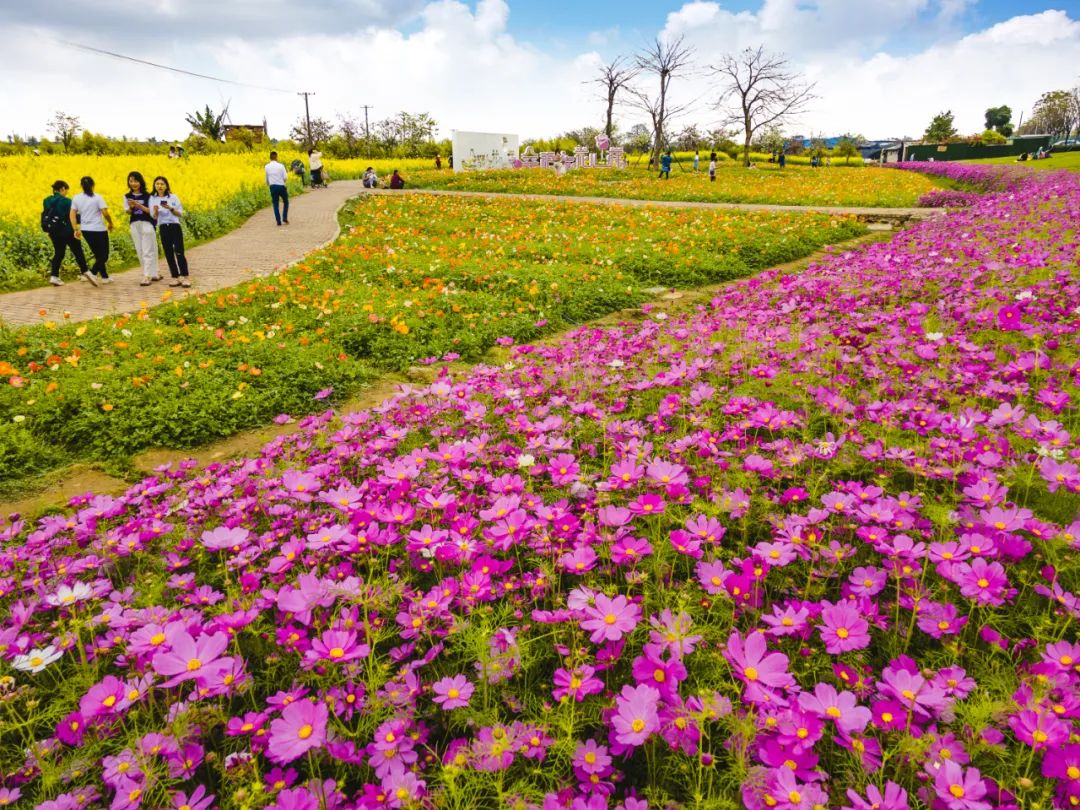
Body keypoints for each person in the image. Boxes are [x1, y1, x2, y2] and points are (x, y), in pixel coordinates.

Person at [41, 180, 91, 286]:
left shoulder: (46, 200)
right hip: (68, 231)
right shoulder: (67, 201)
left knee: (59, 253)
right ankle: (85, 272)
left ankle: (54, 276)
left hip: (54, 232)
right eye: (66, 191)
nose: (66, 193)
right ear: (62, 189)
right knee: (78, 251)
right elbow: (74, 216)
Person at [70, 176, 114, 284]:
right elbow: (105, 213)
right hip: (99, 229)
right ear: (93, 185)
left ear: (81, 185)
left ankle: (105, 277)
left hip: (86, 230)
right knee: (104, 255)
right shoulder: (97, 197)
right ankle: (92, 273)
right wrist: (110, 223)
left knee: (98, 254)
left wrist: (75, 229)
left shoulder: (76, 198)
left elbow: (72, 214)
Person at [150, 175, 190, 288]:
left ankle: (185, 277)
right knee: (168, 253)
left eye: (162, 184)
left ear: (166, 185)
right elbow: (154, 217)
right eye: (157, 184)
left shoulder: (173, 197)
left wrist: (170, 208)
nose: (159, 186)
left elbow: (180, 214)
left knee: (179, 251)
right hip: (163, 227)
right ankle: (175, 277)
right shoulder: (153, 199)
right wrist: (156, 211)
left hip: (174, 226)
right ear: (154, 186)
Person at [123, 171, 160, 286]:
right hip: (135, 224)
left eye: (136, 181)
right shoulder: (127, 196)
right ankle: (153, 273)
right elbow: (128, 212)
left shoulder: (149, 196)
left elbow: (152, 212)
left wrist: (138, 205)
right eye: (131, 181)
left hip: (147, 223)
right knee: (140, 249)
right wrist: (131, 207)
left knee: (148, 250)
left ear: (141, 182)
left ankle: (147, 275)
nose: (133, 183)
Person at [265, 151, 289, 225]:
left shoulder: (266, 166)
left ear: (270, 157)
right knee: (286, 201)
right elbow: (285, 177)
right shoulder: (281, 166)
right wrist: (283, 182)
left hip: (272, 187)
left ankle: (278, 221)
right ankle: (284, 218)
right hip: (281, 186)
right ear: (276, 157)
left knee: (275, 204)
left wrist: (269, 184)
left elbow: (267, 179)